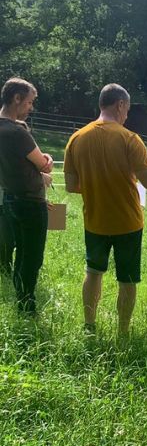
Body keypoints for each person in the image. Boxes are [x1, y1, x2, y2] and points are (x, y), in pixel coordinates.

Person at [64, 83, 147, 335]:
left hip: (94, 220)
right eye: (127, 110)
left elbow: (70, 185)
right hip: (128, 223)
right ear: (120, 105)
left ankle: (89, 325)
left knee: (93, 272)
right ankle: (122, 331)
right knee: (127, 280)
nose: (127, 115)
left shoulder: (76, 138)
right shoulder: (130, 139)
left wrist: (97, 185)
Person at [0, 77, 53, 314]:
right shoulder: (16, 132)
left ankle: (20, 299)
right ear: (16, 98)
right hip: (30, 203)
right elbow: (43, 165)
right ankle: (27, 306)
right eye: (29, 102)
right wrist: (49, 159)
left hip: (9, 199)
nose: (31, 107)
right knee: (31, 257)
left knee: (20, 253)